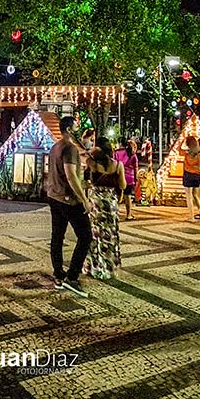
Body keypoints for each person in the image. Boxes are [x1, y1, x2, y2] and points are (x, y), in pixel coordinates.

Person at [44, 116, 94, 298]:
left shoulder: (55, 147)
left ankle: (58, 275)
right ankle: (72, 277)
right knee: (85, 236)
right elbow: (71, 176)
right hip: (68, 200)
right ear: (70, 130)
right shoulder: (70, 149)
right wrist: (83, 199)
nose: (79, 129)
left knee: (57, 236)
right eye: (77, 126)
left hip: (53, 196)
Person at [84, 137, 125, 280]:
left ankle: (95, 267)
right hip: (111, 202)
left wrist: (92, 151)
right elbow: (123, 185)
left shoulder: (92, 163)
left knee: (96, 236)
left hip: (96, 202)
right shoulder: (118, 165)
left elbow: (85, 155)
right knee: (110, 235)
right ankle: (109, 268)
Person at [182, 137, 200, 221]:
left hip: (188, 175)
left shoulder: (187, 153)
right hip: (197, 176)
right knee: (197, 195)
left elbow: (180, 148)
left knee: (189, 197)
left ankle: (192, 217)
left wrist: (184, 141)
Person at [114, 139, 138, 220]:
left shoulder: (117, 152)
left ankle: (115, 214)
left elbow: (114, 162)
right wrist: (136, 179)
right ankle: (128, 214)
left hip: (119, 176)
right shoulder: (133, 155)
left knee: (117, 196)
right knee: (127, 196)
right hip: (129, 178)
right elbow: (135, 168)